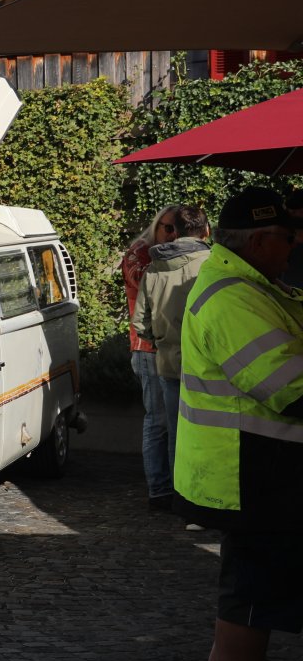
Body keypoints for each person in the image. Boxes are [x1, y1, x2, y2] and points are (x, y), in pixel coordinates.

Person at [175, 187, 303, 661]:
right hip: (247, 471)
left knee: (249, 590)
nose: (294, 247)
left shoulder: (252, 285)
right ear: (258, 241)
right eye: (287, 238)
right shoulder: (234, 295)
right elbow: (288, 388)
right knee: (252, 595)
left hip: (254, 466)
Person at [133, 204, 211, 499]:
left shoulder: (154, 268)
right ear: (206, 231)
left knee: (176, 434)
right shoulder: (214, 264)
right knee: (208, 434)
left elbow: (140, 323)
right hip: (209, 365)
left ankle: (179, 496)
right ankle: (204, 498)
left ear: (174, 231)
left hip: (169, 363)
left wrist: (163, 341)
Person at [123, 206, 177, 509]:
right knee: (158, 421)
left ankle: (169, 486)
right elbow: (147, 285)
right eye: (167, 227)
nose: (173, 234)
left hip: (169, 347)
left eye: (177, 228)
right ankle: (159, 489)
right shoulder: (140, 253)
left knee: (170, 421)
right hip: (148, 348)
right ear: (156, 226)